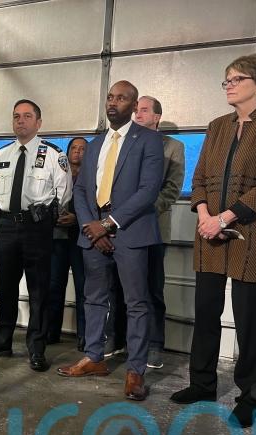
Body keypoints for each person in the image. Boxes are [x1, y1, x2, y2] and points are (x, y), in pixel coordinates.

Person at [170, 55, 256, 428]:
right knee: (206, 312)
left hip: (253, 233)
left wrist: (225, 218)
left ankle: (249, 397)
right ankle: (202, 384)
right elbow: (200, 177)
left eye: (237, 79)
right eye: (226, 80)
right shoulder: (217, 125)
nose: (229, 85)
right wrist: (205, 215)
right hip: (209, 230)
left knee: (249, 319)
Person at [57, 81, 164, 403]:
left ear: (133, 105)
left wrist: (107, 224)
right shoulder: (95, 144)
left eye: (121, 98)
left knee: (136, 302)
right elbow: (81, 190)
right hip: (93, 232)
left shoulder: (149, 140)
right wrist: (92, 227)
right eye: (110, 97)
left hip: (130, 232)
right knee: (93, 298)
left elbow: (148, 190)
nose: (113, 102)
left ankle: (135, 371)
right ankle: (94, 358)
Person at [0, 99, 72, 372]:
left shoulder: (53, 155)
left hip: (37, 228)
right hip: (7, 227)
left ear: (38, 123)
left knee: (39, 290)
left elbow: (64, 193)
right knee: (6, 288)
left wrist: (45, 217)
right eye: (16, 116)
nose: (21, 121)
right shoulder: (1, 155)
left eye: (27, 116)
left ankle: (37, 348)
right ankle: (1, 341)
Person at [105, 96, 185, 367]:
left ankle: (153, 345)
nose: (137, 114)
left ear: (157, 117)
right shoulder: (123, 142)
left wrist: (142, 210)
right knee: (117, 286)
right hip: (118, 226)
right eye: (136, 110)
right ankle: (116, 338)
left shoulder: (172, 147)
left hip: (152, 226)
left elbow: (172, 189)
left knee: (151, 288)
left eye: (144, 110)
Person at [46, 137, 88, 351]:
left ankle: (84, 336)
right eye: (74, 148)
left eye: (82, 149)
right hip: (58, 237)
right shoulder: (58, 172)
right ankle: (51, 332)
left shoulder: (92, 176)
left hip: (82, 238)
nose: (78, 152)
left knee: (83, 287)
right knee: (54, 285)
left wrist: (77, 219)